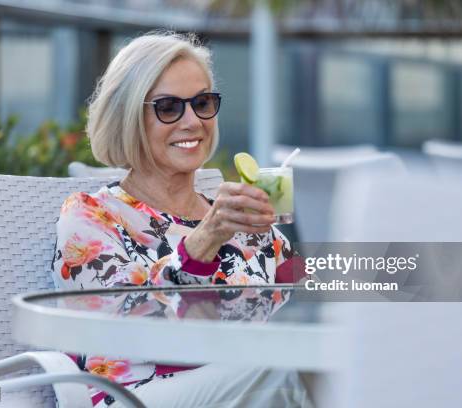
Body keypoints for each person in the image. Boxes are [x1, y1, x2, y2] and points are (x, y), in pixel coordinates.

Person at [52, 31, 311, 407]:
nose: (192, 121)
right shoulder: (92, 215)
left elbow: (307, 304)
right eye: (169, 107)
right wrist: (203, 242)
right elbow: (126, 334)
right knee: (286, 367)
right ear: (128, 118)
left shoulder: (236, 218)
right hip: (135, 395)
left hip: (245, 383)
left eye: (202, 102)